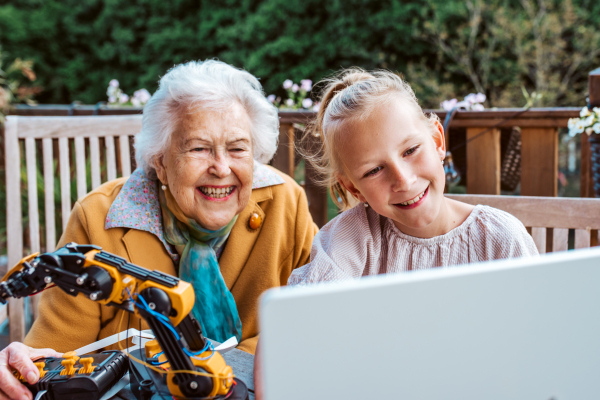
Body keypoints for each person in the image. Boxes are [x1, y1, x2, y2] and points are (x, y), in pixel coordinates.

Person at [0, 60, 317, 400]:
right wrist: (20, 369)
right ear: (160, 163)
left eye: (238, 148)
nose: (222, 168)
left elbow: (316, 325)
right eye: (199, 148)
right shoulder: (99, 219)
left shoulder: (285, 203)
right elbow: (54, 353)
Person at [288, 69, 538, 286]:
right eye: (374, 170)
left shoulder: (499, 238)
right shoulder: (351, 239)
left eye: (410, 150)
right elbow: (302, 321)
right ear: (354, 189)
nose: (404, 181)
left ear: (438, 140)